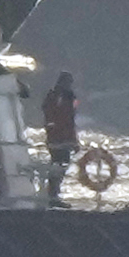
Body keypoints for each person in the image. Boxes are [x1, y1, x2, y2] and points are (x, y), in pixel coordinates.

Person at [41, 71, 78, 205]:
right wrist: (53, 131)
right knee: (57, 164)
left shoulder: (68, 97)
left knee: (62, 165)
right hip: (57, 138)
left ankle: (54, 193)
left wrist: (74, 140)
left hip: (65, 137)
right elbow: (53, 115)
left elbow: (70, 120)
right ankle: (52, 194)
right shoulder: (56, 96)